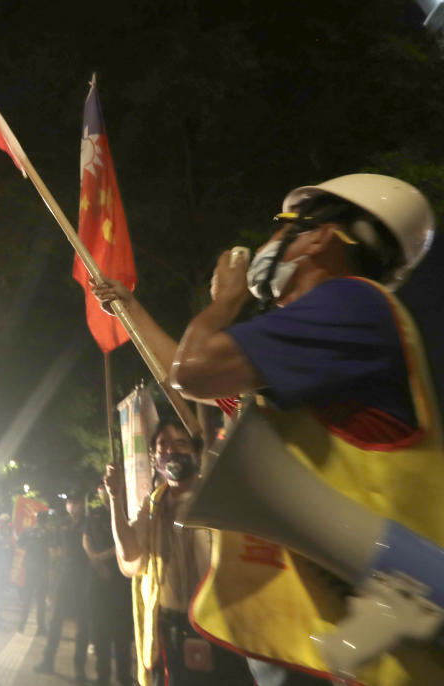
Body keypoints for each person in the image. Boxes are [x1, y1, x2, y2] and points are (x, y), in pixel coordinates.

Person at [166, 173, 444, 684]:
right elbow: (192, 378)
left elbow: (192, 371)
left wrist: (225, 301)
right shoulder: (325, 340)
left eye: (282, 225)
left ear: (319, 236)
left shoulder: (352, 305)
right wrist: (125, 304)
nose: (269, 240)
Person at [104, 420, 253, 686]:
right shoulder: (152, 506)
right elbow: (129, 556)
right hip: (172, 630)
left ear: (195, 454)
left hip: (222, 626)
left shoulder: (217, 498)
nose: (171, 451)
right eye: (163, 446)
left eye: (180, 444)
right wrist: (114, 498)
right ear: (154, 458)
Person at [34, 490, 91, 685]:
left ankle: (79, 671)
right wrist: (52, 584)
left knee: (83, 626)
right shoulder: (63, 525)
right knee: (55, 620)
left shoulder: (90, 523)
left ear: (83, 504)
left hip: (85, 579)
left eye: (76, 502)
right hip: (65, 579)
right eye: (70, 502)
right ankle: (47, 661)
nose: (73, 506)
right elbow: (55, 553)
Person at [84, 485, 134, 686]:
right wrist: (94, 559)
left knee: (122, 635)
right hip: (97, 582)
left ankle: (123, 677)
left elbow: (126, 541)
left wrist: (102, 557)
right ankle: (102, 677)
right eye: (105, 491)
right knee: (100, 632)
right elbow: (85, 538)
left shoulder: (128, 515)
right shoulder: (94, 515)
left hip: (120, 581)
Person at [17, 509, 49, 635]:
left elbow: (20, 544)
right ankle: (41, 627)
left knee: (27, 597)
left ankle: (21, 625)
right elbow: (53, 550)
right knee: (41, 599)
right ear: (46, 520)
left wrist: (30, 551)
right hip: (42, 568)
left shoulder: (28, 530)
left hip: (29, 567)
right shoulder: (47, 533)